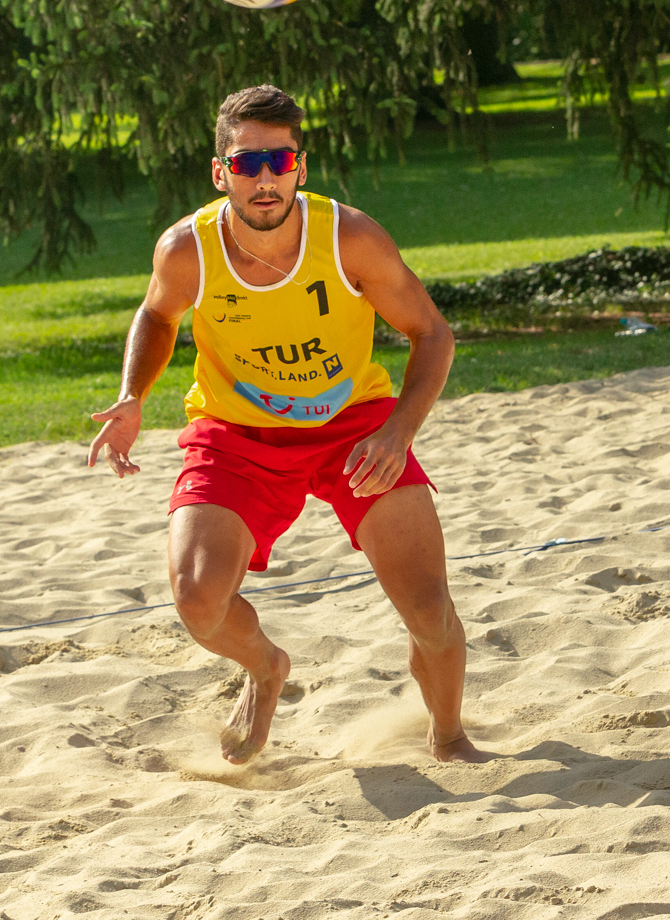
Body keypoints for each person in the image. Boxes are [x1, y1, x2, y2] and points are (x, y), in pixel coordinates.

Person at [86, 85, 484, 766]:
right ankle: (267, 668)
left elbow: (433, 334)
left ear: (300, 165)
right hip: (235, 435)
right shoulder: (189, 248)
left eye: (280, 160)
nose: (264, 177)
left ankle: (447, 735)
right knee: (198, 601)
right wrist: (132, 395)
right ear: (221, 173)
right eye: (247, 164)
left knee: (429, 613)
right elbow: (157, 316)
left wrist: (397, 432)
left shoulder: (349, 237)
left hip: (354, 429)